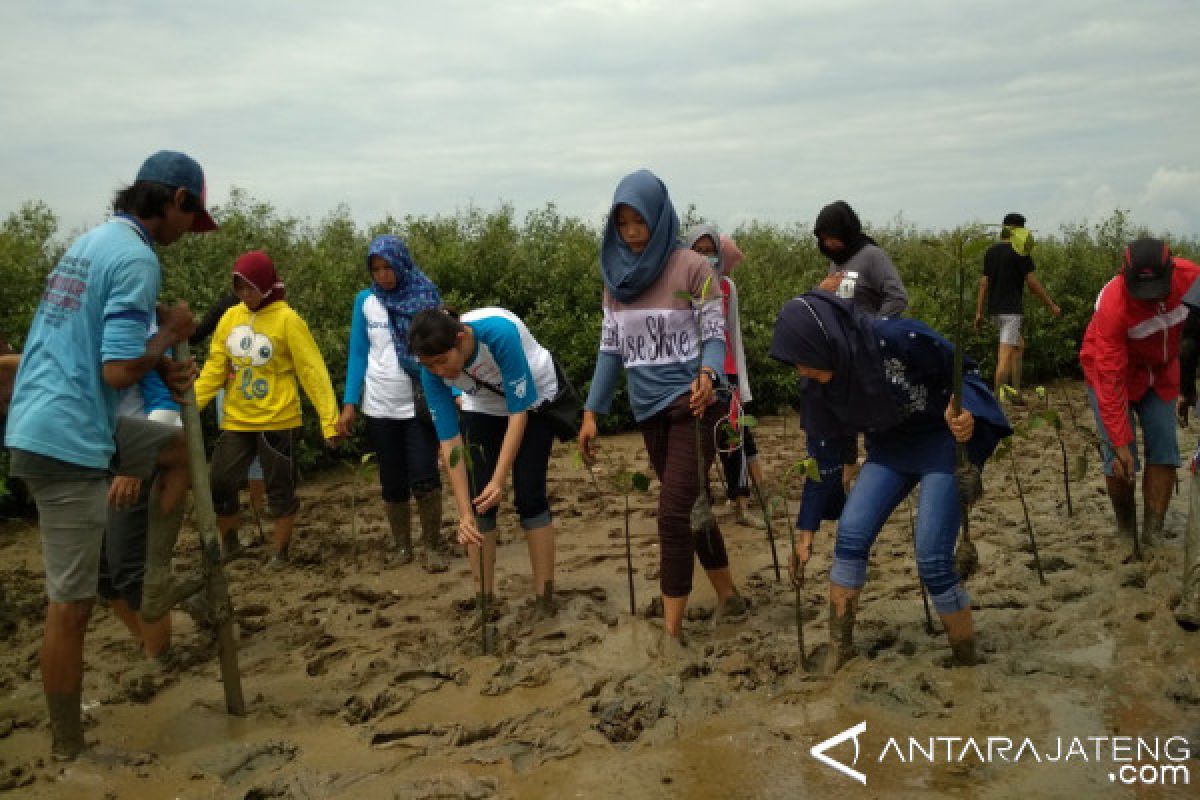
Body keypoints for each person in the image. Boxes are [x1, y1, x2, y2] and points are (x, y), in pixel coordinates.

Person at [4, 150, 213, 759]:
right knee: (68, 607)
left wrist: (162, 363)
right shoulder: (135, 258)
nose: (186, 235)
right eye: (189, 220)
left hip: (51, 417)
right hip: (66, 438)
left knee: (176, 452)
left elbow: (114, 350)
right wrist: (172, 334)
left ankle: (154, 581)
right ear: (175, 201)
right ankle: (69, 750)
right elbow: (119, 368)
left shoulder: (92, 244)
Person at [770, 290, 1010, 671]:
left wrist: (965, 412)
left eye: (804, 359)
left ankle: (965, 658)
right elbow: (823, 450)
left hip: (940, 442)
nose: (801, 369)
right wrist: (806, 529)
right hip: (889, 448)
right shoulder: (816, 384)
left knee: (932, 560)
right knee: (850, 535)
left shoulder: (899, 338)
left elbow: (964, 372)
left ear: (827, 342)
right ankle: (839, 649)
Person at [579, 169, 745, 652]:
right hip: (647, 409)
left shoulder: (693, 268)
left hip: (696, 405)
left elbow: (714, 335)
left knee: (671, 514)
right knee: (692, 508)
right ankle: (729, 595)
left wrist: (708, 376)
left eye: (640, 221)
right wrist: (592, 412)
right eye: (623, 223)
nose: (632, 232)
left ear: (659, 216)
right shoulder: (616, 281)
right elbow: (610, 351)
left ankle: (672, 634)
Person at [194, 250, 341, 568]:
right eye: (239, 288)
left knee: (279, 488)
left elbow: (312, 371)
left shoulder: (288, 319)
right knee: (219, 481)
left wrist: (329, 420)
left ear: (265, 284)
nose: (246, 295)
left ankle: (280, 552)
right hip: (237, 419)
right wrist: (189, 408)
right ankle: (230, 544)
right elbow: (215, 369)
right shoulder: (230, 318)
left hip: (278, 418)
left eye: (250, 287)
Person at [409, 307, 560, 615]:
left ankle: (545, 599)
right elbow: (450, 441)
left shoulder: (498, 334)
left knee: (529, 493)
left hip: (536, 397)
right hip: (485, 403)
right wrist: (464, 513)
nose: (438, 372)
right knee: (479, 502)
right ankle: (484, 601)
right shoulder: (431, 369)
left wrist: (499, 479)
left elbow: (520, 412)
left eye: (442, 362)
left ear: (460, 340)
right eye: (429, 365)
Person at [1080, 238, 1199, 552]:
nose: (1151, 299)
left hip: (1161, 372)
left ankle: (1153, 533)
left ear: (1171, 271)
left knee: (1164, 448)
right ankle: (1125, 530)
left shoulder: (1191, 278)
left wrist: (1190, 389)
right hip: (1113, 375)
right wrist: (1120, 442)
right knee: (1120, 460)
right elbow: (1109, 379)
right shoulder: (1112, 305)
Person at [336, 235, 447, 571]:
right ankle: (402, 546)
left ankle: (432, 545)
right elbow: (358, 353)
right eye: (376, 269)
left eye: (388, 267)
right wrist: (349, 402)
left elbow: (441, 349)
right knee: (392, 478)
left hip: (416, 400)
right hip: (379, 404)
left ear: (402, 264)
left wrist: (453, 396)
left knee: (425, 473)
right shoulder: (365, 302)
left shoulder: (425, 297)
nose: (383, 275)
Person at [684, 226, 766, 529]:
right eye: (699, 250)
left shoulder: (728, 287)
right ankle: (699, 505)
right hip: (694, 374)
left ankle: (741, 506)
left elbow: (733, 335)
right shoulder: (682, 285)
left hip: (726, 372)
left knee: (734, 440)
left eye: (711, 250)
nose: (706, 257)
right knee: (696, 442)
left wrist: (741, 385)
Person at [191, 292, 267, 520]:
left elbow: (197, 334)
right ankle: (254, 507)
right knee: (255, 449)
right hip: (249, 386)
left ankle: (238, 508)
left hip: (232, 385)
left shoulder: (227, 305)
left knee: (235, 450)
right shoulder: (257, 306)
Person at [973, 212, 1061, 395]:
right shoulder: (1020, 252)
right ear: (1017, 230)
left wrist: (979, 313)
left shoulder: (991, 252)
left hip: (994, 311)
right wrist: (1051, 305)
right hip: (1010, 312)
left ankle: (1015, 391)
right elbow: (1032, 283)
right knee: (1004, 356)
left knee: (1018, 346)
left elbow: (983, 283)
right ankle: (996, 400)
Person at [813, 200, 908, 318]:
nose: (827, 243)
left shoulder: (872, 256)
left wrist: (874, 327)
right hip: (842, 335)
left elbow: (897, 297)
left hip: (869, 333)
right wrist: (821, 291)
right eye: (823, 239)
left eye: (831, 238)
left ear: (844, 232)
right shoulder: (836, 261)